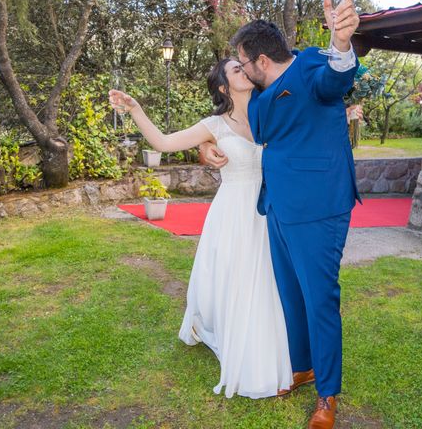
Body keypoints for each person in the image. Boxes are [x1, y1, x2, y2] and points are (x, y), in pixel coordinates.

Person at [200, 0, 359, 429]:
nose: (241, 70)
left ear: (261, 60)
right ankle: (303, 366)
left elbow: (336, 79)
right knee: (291, 296)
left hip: (318, 207)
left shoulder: (311, 67)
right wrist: (205, 144)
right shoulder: (262, 97)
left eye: (242, 62)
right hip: (276, 208)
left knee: (320, 300)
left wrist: (342, 44)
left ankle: (327, 395)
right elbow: (245, 135)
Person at [108, 58, 293, 398]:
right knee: (235, 277)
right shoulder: (214, 125)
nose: (244, 70)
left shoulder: (270, 111)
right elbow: (163, 143)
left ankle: (267, 338)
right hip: (234, 211)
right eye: (236, 69)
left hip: (270, 210)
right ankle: (234, 337)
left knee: (266, 278)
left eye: (244, 66)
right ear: (224, 87)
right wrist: (135, 109)